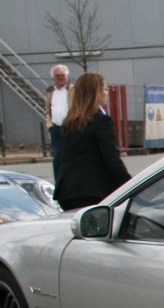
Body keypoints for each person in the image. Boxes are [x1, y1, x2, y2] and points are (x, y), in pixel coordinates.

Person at [53, 73, 131, 211]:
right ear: (97, 92)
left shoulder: (69, 122)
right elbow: (112, 160)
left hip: (66, 192)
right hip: (93, 192)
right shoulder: (101, 121)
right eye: (105, 89)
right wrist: (130, 186)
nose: (106, 93)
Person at [44, 64, 71, 181]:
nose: (60, 78)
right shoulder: (51, 92)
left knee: (71, 156)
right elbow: (47, 110)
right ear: (54, 78)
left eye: (62, 75)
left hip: (70, 128)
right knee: (58, 158)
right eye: (58, 76)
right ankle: (59, 183)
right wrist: (49, 125)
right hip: (55, 129)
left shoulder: (72, 90)